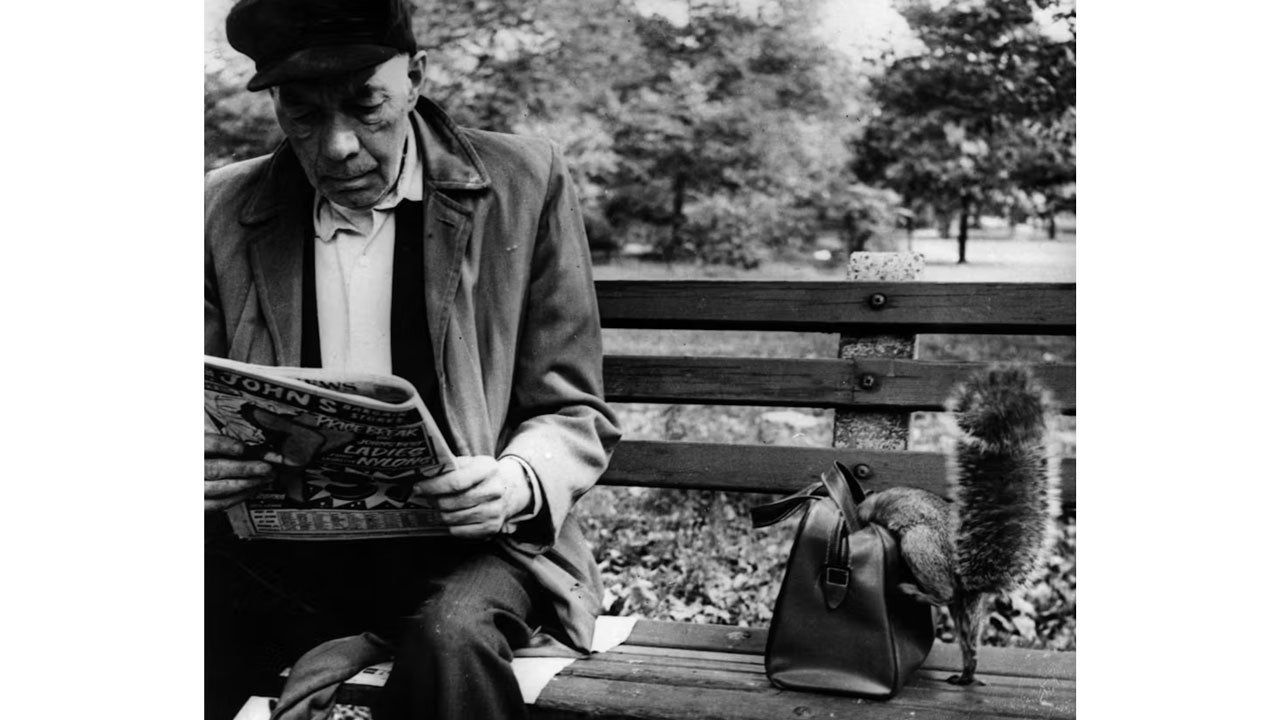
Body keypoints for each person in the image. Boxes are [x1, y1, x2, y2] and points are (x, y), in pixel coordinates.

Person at [203, 0, 621, 718]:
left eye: (367, 106)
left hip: (476, 549)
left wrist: (521, 479)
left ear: (417, 77)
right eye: (301, 114)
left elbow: (572, 408)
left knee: (451, 637)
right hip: (286, 549)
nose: (336, 146)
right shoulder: (224, 205)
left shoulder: (524, 180)